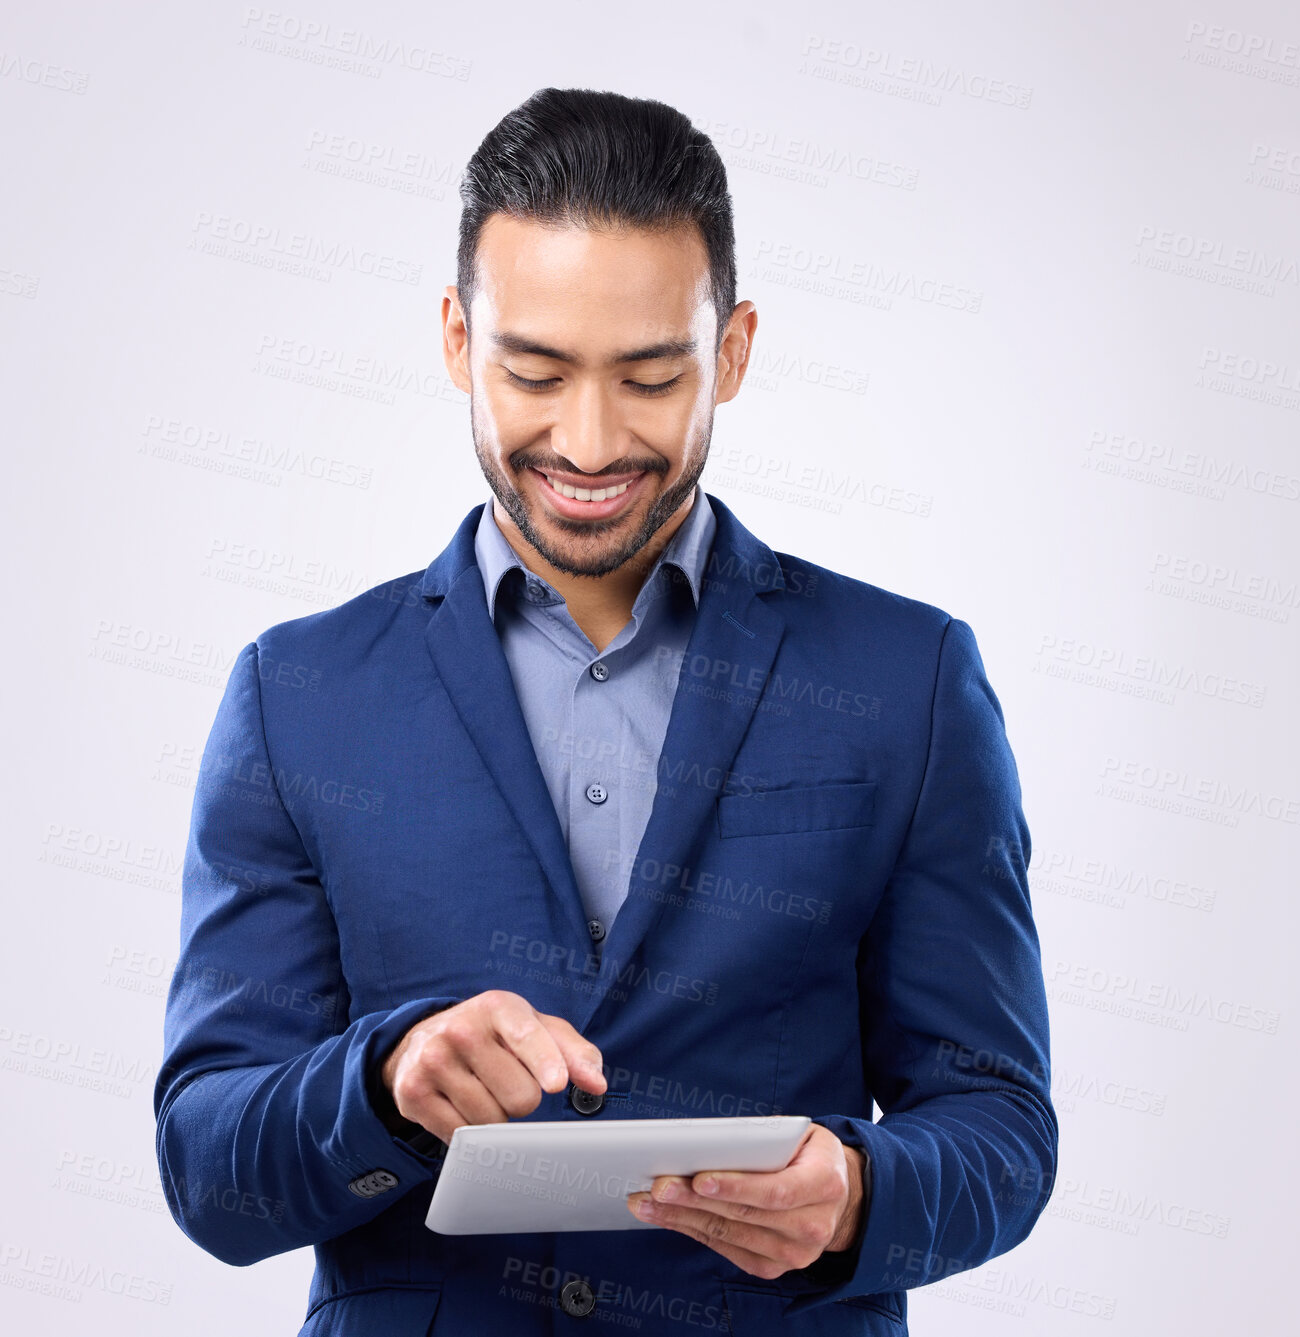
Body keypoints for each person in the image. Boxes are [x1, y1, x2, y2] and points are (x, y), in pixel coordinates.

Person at [153, 86, 1056, 1336]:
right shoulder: (299, 694)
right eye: (535, 371)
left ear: (732, 352)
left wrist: (860, 1192)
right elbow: (208, 1170)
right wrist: (380, 1085)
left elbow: (1002, 1123)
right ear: (460, 343)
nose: (588, 442)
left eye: (648, 376)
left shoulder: (909, 679)